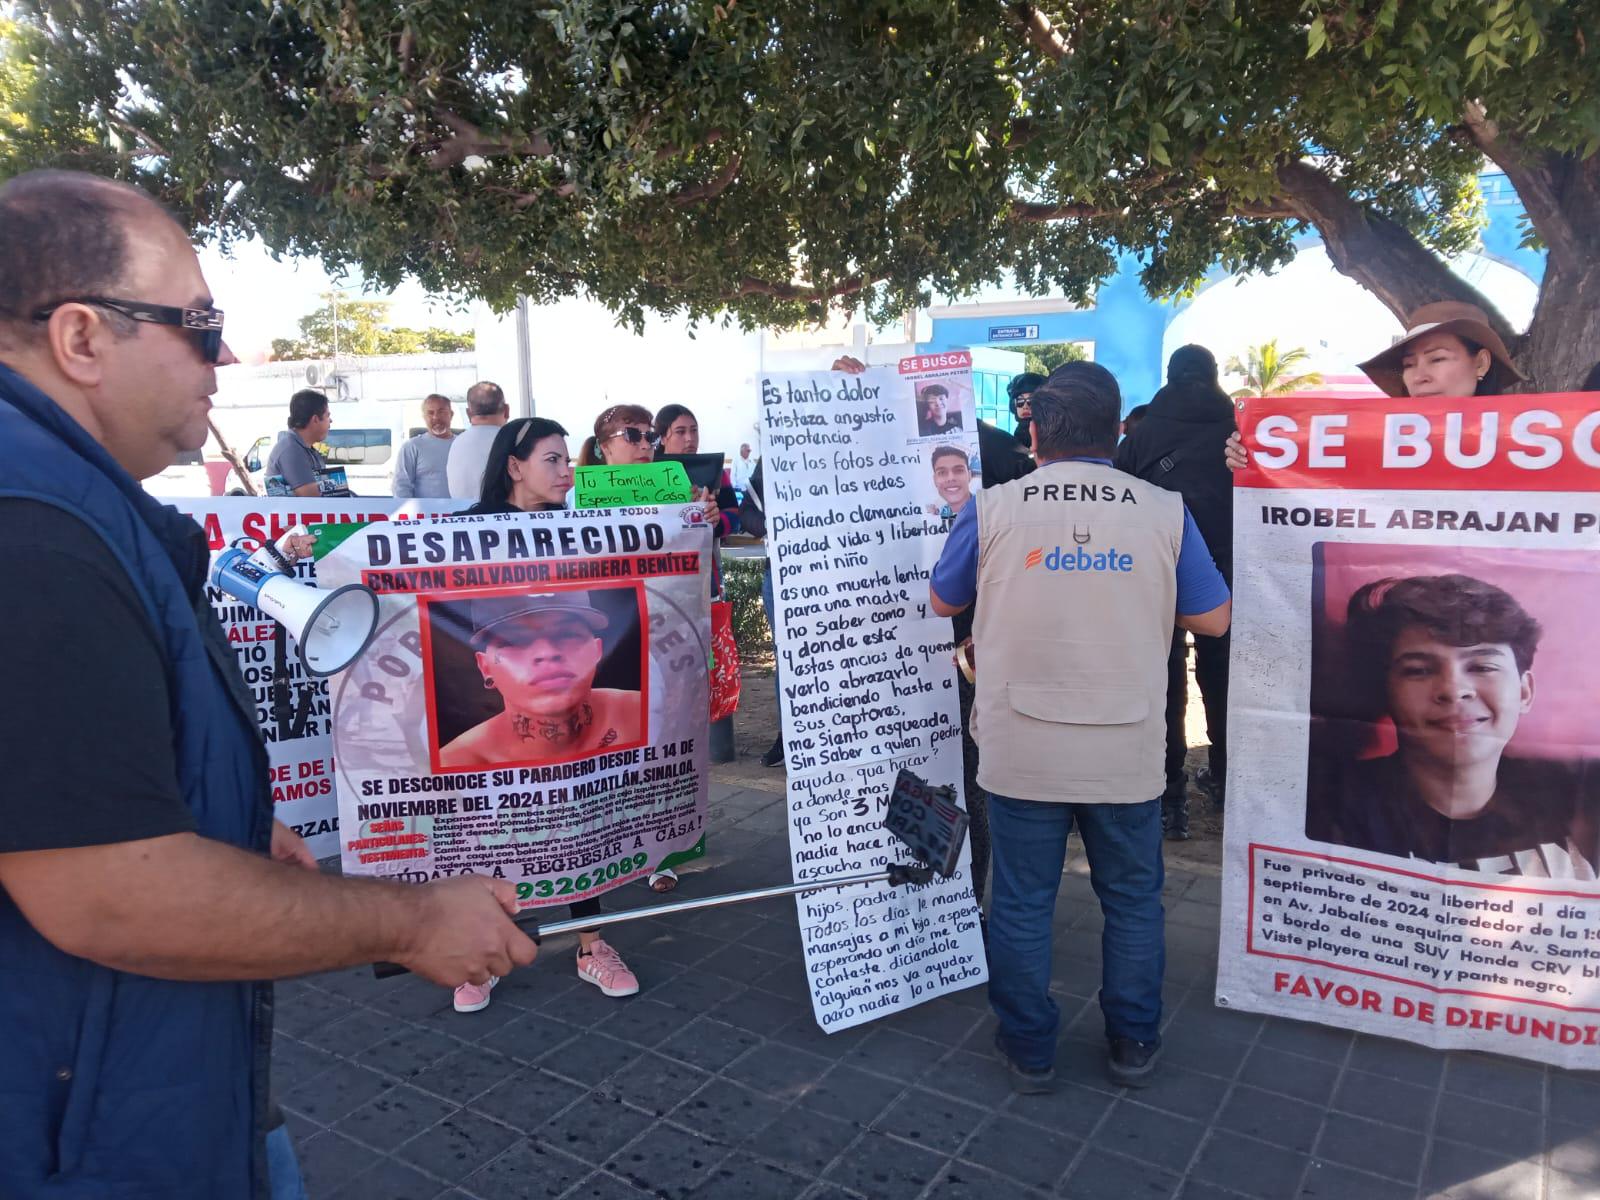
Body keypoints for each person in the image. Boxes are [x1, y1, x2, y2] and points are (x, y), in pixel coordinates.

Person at [0, 169, 536, 1199]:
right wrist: (413, 919)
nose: (228, 356)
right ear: (80, 339)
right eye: (199, 324)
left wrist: (229, 825)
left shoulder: (70, 509)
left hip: (145, 1091)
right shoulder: (32, 531)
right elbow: (109, 895)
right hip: (82, 1137)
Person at [930, 362, 1231, 1093]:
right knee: (1132, 897)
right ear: (1117, 428)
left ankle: (1030, 1048)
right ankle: (1132, 1039)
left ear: (1035, 430)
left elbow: (944, 601)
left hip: (1020, 744)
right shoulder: (1165, 509)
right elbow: (1213, 618)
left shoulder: (993, 507)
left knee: (1024, 899)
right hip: (1124, 745)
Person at [445, 419, 642, 1006]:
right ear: (514, 465)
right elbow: (382, 559)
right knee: (488, 834)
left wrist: (701, 523)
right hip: (504, 728)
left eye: (567, 460)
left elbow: (657, 547)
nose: (567, 471)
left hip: (577, 730)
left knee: (581, 822)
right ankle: (485, 955)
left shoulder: (579, 530)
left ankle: (591, 945)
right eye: (553, 460)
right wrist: (313, 546)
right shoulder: (467, 531)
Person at [1307, 574, 1598, 878]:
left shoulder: (1578, 796)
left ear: (1524, 692)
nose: (1453, 689)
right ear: (1385, 693)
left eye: (1482, 666)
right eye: (1418, 670)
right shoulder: (1327, 804)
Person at [1116, 346, 1236, 838]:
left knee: (1163, 687)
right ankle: (1230, 785)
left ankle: (1169, 802)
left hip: (1155, 576)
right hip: (1227, 576)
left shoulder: (1143, 435)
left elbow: (1118, 504)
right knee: (1224, 684)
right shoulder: (1241, 431)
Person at [1224, 302, 1527, 469]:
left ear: (1481, 364)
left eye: (1437, 359)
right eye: (1409, 365)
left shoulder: (1529, 446)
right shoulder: (1378, 444)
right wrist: (1255, 458)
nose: (1419, 376)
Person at [653, 403, 736, 534]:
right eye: (680, 432)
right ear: (662, 438)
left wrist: (715, 521)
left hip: (703, 553)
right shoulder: (649, 473)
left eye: (694, 430)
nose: (689, 438)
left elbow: (735, 515)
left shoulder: (714, 469)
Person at [265, 388, 350, 497]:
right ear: (315, 419)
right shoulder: (291, 450)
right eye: (327, 416)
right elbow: (312, 500)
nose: (331, 421)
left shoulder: (306, 449)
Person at [445, 380, 510, 498]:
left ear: (468, 414)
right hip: (505, 515)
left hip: (464, 514)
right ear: (506, 410)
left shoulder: (456, 443)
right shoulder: (513, 441)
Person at [391, 392, 455, 498]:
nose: (436, 417)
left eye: (441, 412)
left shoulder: (462, 445)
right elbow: (401, 486)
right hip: (426, 514)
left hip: (461, 513)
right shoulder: (412, 447)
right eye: (430, 413)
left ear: (451, 414)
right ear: (424, 417)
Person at [577, 403, 657, 466]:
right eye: (632, 435)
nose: (646, 446)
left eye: (650, 437)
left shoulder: (666, 485)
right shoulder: (582, 487)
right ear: (605, 447)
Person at [927, 444, 974, 518]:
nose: (951, 478)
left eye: (958, 470)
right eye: (942, 472)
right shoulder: (935, 513)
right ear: (935, 480)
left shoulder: (987, 509)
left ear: (969, 475)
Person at [1007, 371, 1045, 451]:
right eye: (1020, 401)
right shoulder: (1016, 436)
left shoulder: (1051, 436)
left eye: (1031, 401)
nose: (1025, 406)